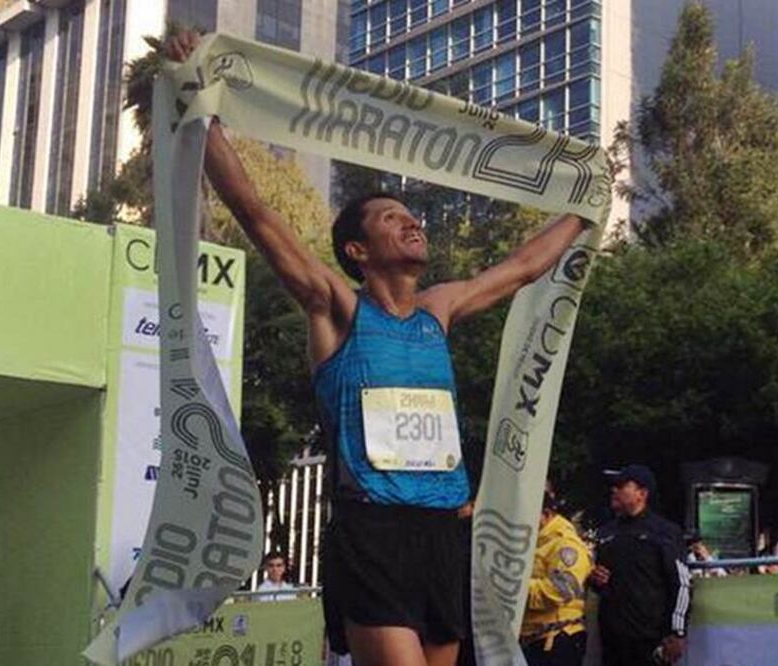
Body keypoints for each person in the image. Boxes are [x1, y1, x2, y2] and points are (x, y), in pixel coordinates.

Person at [166, 31, 590, 666]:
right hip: (374, 531)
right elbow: (256, 212)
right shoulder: (335, 306)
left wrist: (585, 209)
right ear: (357, 252)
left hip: (444, 532)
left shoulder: (439, 309)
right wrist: (202, 109)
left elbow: (524, 267)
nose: (410, 222)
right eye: (391, 218)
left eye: (410, 215)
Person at [588, 465, 690, 665]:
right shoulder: (605, 533)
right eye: (614, 486)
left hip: (651, 639)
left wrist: (677, 632)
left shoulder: (665, 532)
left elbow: (682, 583)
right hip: (612, 641)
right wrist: (595, 579)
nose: (614, 490)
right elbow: (599, 582)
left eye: (622, 486)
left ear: (642, 494)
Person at [520, 486, 592, 666]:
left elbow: (561, 590)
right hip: (530, 638)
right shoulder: (532, 540)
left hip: (557, 640)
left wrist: (515, 587)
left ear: (546, 513)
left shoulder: (565, 543)